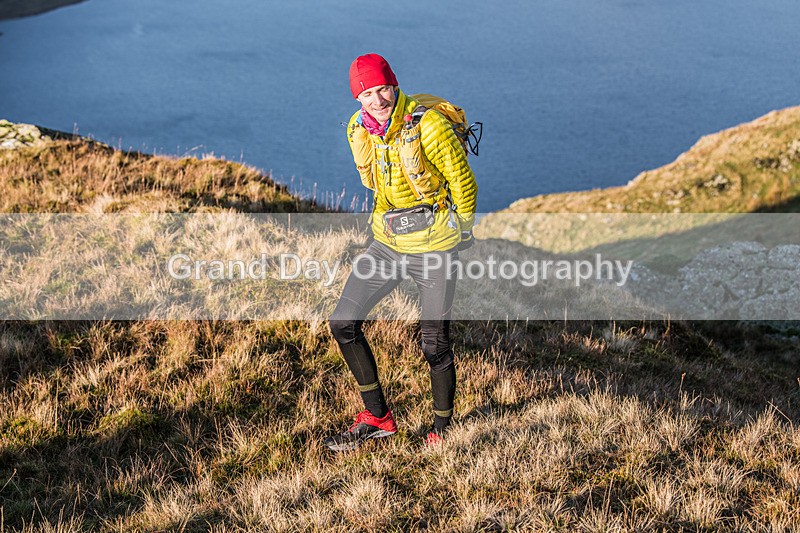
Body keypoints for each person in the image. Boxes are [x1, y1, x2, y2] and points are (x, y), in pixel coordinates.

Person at [325, 53, 478, 451]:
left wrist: (461, 232)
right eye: (366, 94)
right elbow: (375, 184)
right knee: (343, 323)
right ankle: (378, 418)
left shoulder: (430, 126)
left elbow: (464, 184)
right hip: (388, 244)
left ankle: (442, 427)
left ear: (394, 85)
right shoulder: (359, 129)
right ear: (357, 98)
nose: (377, 100)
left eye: (382, 89)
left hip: (435, 247)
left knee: (434, 345)